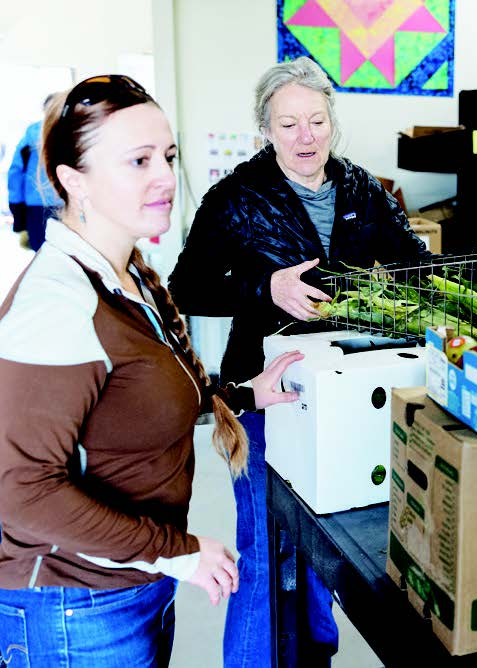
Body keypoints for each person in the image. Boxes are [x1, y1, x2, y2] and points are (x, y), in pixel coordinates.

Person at [168, 56, 477, 666]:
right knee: (264, 548)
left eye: (316, 120)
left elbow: (418, 262)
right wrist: (265, 290)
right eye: (288, 125)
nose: (305, 137)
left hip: (346, 386)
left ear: (332, 121)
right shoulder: (235, 197)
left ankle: (313, 658)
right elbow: (185, 288)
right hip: (267, 391)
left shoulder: (363, 188)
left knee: (324, 545)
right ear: (265, 130)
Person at [0, 75, 302, 667]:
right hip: (71, 609)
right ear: (73, 180)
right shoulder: (57, 302)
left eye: (167, 156)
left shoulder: (126, 276)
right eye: (138, 161)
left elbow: (143, 396)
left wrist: (244, 395)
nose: (165, 177)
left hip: (126, 588)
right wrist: (176, 553)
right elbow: (19, 490)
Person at [7, 93, 63, 250]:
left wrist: (16, 207)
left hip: (36, 204)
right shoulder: (74, 133)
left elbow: (15, 174)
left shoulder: (30, 135)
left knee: (41, 253)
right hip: (69, 203)